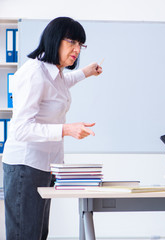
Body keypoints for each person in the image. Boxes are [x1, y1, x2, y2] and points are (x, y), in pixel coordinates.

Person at [2, 17, 103, 240]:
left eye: (80, 45)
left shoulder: (54, 72)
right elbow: (20, 129)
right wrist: (65, 129)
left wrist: (85, 72)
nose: (77, 50)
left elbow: (61, 85)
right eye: (72, 42)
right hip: (24, 167)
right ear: (54, 40)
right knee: (26, 235)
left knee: (38, 234)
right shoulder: (34, 73)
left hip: (43, 167)